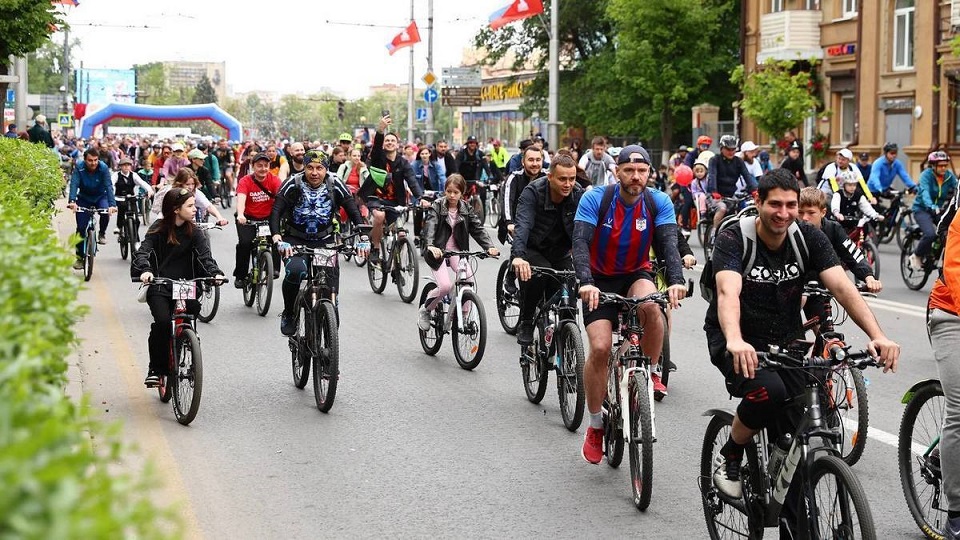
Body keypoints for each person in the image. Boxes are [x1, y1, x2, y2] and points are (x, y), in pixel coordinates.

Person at [706, 169, 900, 536]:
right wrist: (735, 339)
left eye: (791, 205)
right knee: (770, 393)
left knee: (800, 425)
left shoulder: (807, 236)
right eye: (775, 204)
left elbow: (843, 288)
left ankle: (794, 524)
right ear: (758, 203)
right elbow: (727, 293)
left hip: (788, 340)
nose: (783, 213)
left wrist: (878, 335)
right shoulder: (734, 238)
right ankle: (731, 453)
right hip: (737, 338)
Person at [573, 144, 687, 463]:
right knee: (599, 348)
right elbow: (580, 242)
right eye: (629, 170)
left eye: (642, 171)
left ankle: (648, 372)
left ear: (649, 173)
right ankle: (595, 425)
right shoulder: (596, 198)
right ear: (617, 171)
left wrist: (676, 280)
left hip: (635, 272)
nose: (636, 176)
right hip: (597, 278)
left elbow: (668, 244)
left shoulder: (658, 201)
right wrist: (585, 282)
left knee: (653, 307)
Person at [132, 187, 225, 387]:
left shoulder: (195, 232)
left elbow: (205, 257)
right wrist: (146, 271)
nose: (194, 210)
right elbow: (143, 253)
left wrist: (214, 273)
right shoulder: (157, 229)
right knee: (163, 323)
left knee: (190, 315)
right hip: (160, 286)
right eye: (190, 206)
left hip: (186, 285)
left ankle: (187, 343)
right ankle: (156, 369)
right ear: (176, 209)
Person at [270, 150, 367, 335]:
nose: (315, 173)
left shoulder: (335, 183)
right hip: (295, 239)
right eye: (310, 168)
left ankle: (329, 310)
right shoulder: (293, 183)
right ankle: (289, 312)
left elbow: (352, 210)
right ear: (304, 168)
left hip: (325, 240)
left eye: (319, 168)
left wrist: (363, 237)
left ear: (326, 169)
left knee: (330, 283)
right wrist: (277, 237)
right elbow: (276, 211)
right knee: (296, 271)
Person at [511, 153, 584, 346]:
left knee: (569, 292)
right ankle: (526, 322)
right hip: (534, 249)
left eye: (572, 178)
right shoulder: (533, 192)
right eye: (562, 179)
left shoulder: (578, 193)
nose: (568, 184)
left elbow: (587, 229)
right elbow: (523, 225)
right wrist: (518, 256)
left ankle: (569, 340)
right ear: (550, 176)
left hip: (561, 251)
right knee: (540, 275)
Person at [417, 174, 499, 329]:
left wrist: (489, 247)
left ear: (462, 193)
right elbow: (430, 226)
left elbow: (477, 228)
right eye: (449, 191)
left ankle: (463, 315)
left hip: (458, 252)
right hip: (438, 252)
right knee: (445, 286)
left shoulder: (466, 208)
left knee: (468, 281)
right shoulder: (437, 206)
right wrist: (430, 245)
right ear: (445, 191)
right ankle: (426, 310)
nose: (452, 195)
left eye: (456, 192)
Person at [927, 188, 960, 540]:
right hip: (951, 315)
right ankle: (956, 512)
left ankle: (943, 455)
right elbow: (956, 271)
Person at [359, 115, 424, 264]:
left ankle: (397, 265)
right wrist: (381, 130)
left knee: (401, 234)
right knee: (380, 217)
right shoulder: (378, 157)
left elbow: (412, 181)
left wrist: (420, 198)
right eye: (387, 140)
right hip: (375, 198)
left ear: (397, 144)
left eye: (392, 141)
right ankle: (375, 248)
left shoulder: (403, 162)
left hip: (395, 202)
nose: (389, 143)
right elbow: (376, 147)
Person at [234, 153, 282, 288]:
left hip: (268, 218)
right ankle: (240, 275)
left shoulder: (274, 180)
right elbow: (241, 199)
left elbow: (280, 200)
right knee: (245, 244)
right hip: (248, 219)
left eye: (266, 166)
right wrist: (240, 215)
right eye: (259, 166)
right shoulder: (245, 181)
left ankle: (274, 269)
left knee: (276, 240)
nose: (263, 169)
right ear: (253, 166)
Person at [67, 148, 117, 267]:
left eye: (95, 160)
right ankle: (79, 258)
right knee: (80, 228)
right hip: (84, 198)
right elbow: (74, 183)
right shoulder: (79, 167)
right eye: (90, 160)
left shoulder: (103, 168)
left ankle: (102, 233)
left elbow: (109, 186)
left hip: (100, 196)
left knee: (105, 213)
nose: (93, 163)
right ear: (85, 160)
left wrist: (112, 205)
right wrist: (72, 201)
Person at [911, 151, 959, 270]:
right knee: (930, 234)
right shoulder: (926, 175)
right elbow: (924, 191)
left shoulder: (948, 176)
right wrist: (931, 205)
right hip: (922, 209)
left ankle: (935, 256)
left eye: (945, 165)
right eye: (940, 165)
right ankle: (916, 255)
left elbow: (957, 188)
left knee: (948, 231)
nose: (943, 168)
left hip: (939, 210)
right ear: (933, 165)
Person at [706, 135, 757, 241]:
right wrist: (714, 191)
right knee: (722, 208)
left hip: (731, 195)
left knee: (743, 212)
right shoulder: (714, 160)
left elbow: (747, 176)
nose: (731, 152)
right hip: (715, 195)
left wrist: (755, 190)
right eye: (728, 149)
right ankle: (714, 234)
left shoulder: (738, 161)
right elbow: (712, 175)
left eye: (733, 149)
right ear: (721, 148)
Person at [500, 144, 546, 243]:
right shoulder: (514, 177)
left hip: (542, 227)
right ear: (523, 162)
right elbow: (507, 200)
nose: (535, 163)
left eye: (538, 160)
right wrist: (509, 223)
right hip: (519, 225)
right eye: (531, 160)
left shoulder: (547, 177)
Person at [153, 168, 229, 226]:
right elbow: (164, 212)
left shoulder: (196, 192)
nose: (191, 187)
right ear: (180, 183)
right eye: (187, 184)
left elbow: (208, 206)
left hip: (189, 221)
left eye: (193, 184)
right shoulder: (171, 192)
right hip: (169, 220)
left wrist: (220, 217)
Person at [113, 157, 155, 234]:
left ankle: (136, 239)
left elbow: (142, 183)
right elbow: (111, 185)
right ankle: (119, 227)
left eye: (128, 165)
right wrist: (112, 196)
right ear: (120, 166)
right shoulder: (116, 175)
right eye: (124, 165)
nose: (126, 167)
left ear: (130, 166)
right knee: (121, 212)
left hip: (131, 198)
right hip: (120, 198)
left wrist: (149, 190)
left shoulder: (134, 175)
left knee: (136, 220)